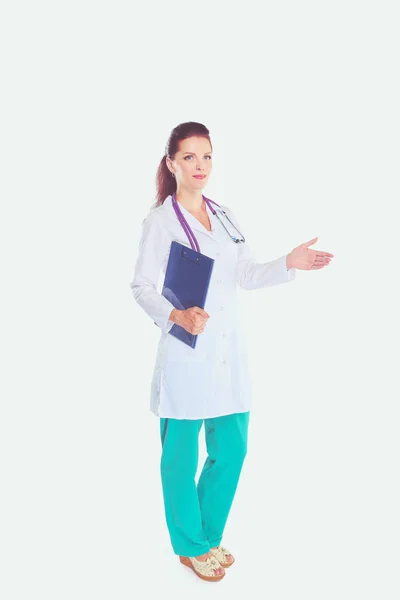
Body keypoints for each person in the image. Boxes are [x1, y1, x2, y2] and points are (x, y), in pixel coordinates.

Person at [129, 121, 333, 582]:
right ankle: (190, 545)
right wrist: (176, 316)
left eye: (206, 156)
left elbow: (244, 275)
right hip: (186, 350)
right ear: (171, 164)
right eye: (189, 157)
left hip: (227, 354)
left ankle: (208, 536)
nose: (199, 166)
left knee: (233, 449)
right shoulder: (160, 221)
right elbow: (140, 286)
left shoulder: (224, 214)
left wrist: (288, 263)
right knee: (180, 456)